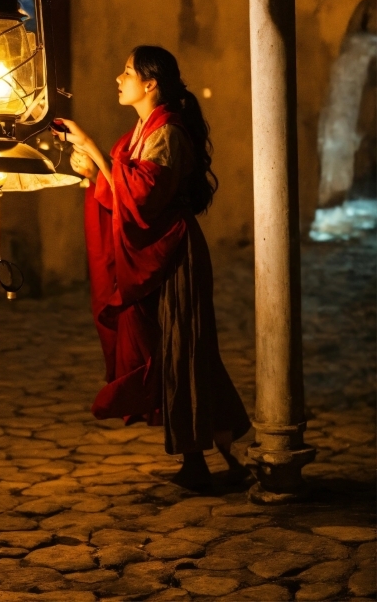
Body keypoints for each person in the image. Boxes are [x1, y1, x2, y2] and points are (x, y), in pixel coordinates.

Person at [53, 45, 250, 489]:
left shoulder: (169, 132)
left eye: (126, 72)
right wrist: (92, 168)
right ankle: (210, 455)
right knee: (167, 352)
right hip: (152, 252)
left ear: (150, 83)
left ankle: (210, 455)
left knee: (186, 350)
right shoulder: (140, 132)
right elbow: (120, 188)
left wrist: (94, 151)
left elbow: (144, 195)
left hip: (173, 252)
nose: (117, 79)